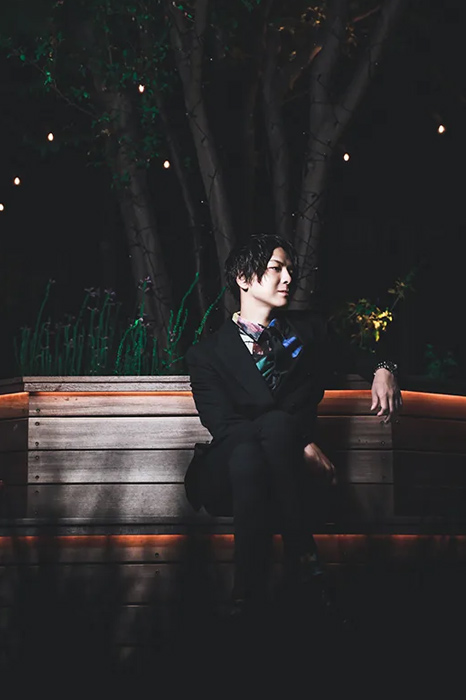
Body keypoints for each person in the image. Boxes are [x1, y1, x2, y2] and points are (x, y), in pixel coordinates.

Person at [184, 233, 401, 625]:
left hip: (267, 474)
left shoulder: (309, 331)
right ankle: (305, 563)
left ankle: (246, 597)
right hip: (225, 475)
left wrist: (383, 369)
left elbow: (359, 353)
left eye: (290, 269)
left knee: (255, 455)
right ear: (243, 279)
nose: (288, 278)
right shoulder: (207, 354)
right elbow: (225, 427)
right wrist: (299, 441)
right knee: (254, 445)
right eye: (275, 268)